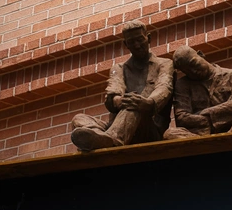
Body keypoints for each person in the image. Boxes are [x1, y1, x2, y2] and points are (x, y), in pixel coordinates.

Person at [71, 20, 174, 150]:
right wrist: (119, 100)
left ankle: (113, 141)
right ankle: (104, 138)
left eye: (140, 40)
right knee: (79, 119)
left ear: (148, 38)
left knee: (134, 103)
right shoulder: (119, 68)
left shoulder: (164, 64)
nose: (137, 45)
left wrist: (148, 102)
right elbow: (113, 93)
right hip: (117, 125)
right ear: (126, 44)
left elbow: (164, 87)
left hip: (149, 128)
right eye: (131, 42)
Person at [163, 45, 232, 139]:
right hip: (201, 138)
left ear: (201, 55)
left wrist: (205, 113)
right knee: (170, 133)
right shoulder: (182, 85)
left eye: (194, 63)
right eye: (187, 71)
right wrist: (224, 112)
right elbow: (182, 118)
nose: (193, 71)